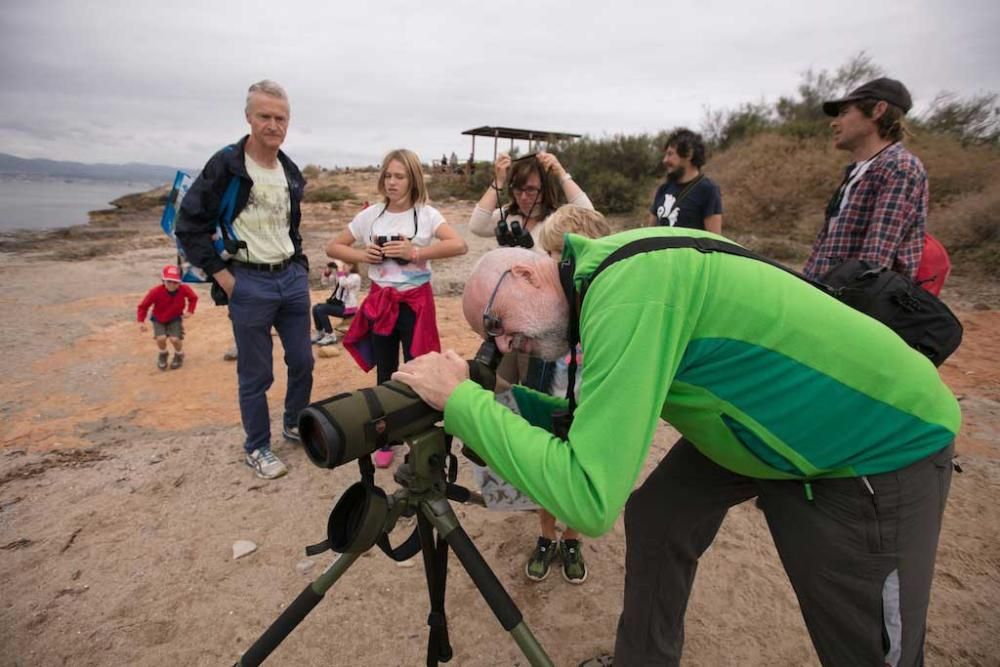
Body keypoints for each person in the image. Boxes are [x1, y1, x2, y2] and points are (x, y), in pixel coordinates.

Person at [393, 225, 961, 667]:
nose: (504, 342)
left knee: (866, 643)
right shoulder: (604, 278)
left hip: (871, 439)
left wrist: (464, 406)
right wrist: (489, 399)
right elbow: (583, 423)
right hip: (753, 417)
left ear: (527, 273)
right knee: (661, 516)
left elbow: (588, 499)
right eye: (490, 336)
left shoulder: (629, 297)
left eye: (496, 322)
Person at [175, 79, 313, 481]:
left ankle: (293, 423)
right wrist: (222, 275)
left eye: (280, 117)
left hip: (290, 277)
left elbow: (291, 226)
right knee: (256, 373)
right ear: (249, 117)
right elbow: (189, 225)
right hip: (248, 282)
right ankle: (257, 446)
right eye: (265, 116)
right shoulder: (227, 166)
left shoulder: (289, 170)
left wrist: (300, 266)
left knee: (303, 361)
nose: (273, 124)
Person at [326, 148, 467, 468]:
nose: (392, 182)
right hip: (382, 302)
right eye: (388, 175)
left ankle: (421, 435)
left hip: (416, 303)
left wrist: (415, 252)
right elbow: (333, 245)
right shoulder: (371, 215)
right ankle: (387, 437)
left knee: (420, 369)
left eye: (399, 176)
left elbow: (459, 245)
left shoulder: (427, 214)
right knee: (386, 370)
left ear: (412, 179)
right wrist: (364, 256)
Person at [803, 77, 927, 281]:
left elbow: (875, 263)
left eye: (844, 113)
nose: (834, 123)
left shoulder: (898, 167)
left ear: (878, 110)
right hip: (824, 296)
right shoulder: (858, 171)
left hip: (850, 303)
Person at [648, 128, 723, 234]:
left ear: (688, 154)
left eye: (670, 154)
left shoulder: (708, 190)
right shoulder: (664, 189)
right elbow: (649, 233)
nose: (665, 160)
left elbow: (714, 241)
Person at [136, 264, 198, 370]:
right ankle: (163, 353)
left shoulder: (184, 289)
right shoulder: (155, 292)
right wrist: (141, 321)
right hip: (158, 318)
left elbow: (193, 298)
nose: (172, 284)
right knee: (161, 338)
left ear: (179, 282)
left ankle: (179, 354)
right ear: (163, 280)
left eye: (175, 282)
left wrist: (190, 311)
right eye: (168, 281)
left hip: (175, 317)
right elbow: (143, 306)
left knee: (175, 339)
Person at [311, 261, 360, 346]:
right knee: (315, 308)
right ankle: (320, 332)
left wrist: (340, 271)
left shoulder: (355, 277)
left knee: (321, 309)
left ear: (351, 266)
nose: (342, 267)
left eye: (344, 265)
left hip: (348, 309)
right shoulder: (340, 276)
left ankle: (330, 335)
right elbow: (324, 282)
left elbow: (344, 284)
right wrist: (327, 272)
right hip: (338, 305)